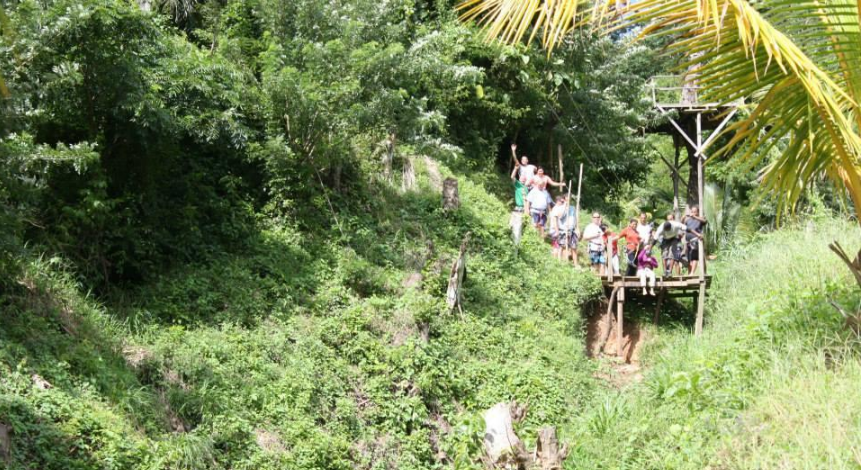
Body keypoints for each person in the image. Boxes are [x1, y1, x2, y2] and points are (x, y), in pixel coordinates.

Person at [511, 144, 536, 212]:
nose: (523, 160)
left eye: (525, 159)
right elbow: (515, 160)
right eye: (522, 159)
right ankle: (522, 208)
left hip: (531, 185)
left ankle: (531, 210)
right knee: (524, 197)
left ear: (527, 160)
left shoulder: (532, 166)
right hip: (523, 185)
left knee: (532, 200)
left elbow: (537, 172)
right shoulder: (520, 167)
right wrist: (513, 151)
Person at [682, 206, 707, 275]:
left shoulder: (699, 219)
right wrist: (683, 218)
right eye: (692, 211)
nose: (693, 213)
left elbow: (704, 221)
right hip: (688, 242)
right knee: (689, 258)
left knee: (694, 257)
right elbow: (682, 225)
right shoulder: (688, 220)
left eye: (694, 212)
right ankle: (689, 273)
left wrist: (695, 217)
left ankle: (692, 272)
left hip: (696, 240)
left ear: (697, 212)